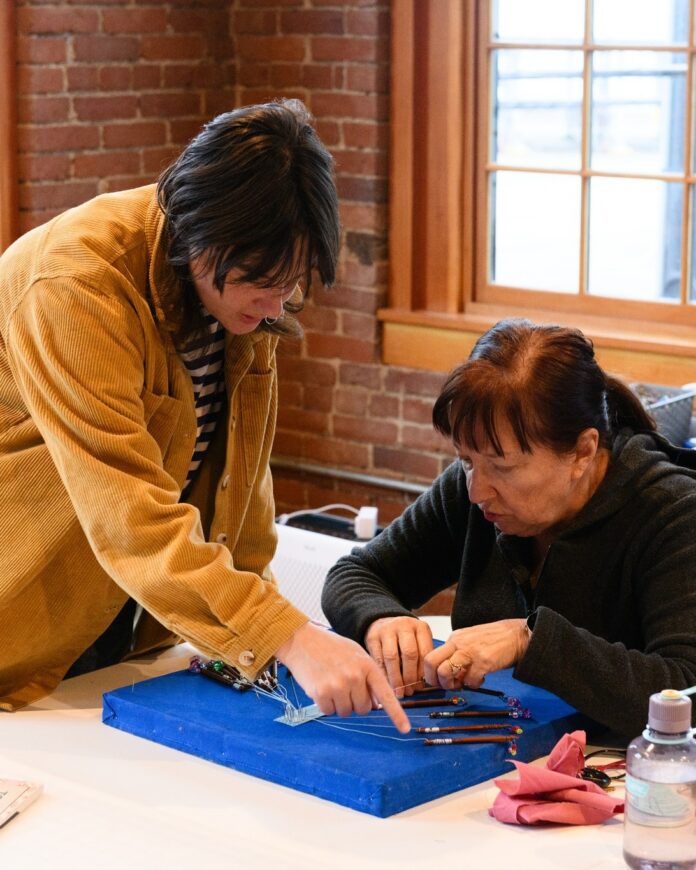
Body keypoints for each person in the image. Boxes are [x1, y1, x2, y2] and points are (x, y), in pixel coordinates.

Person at [0, 98, 408, 732]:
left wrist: (260, 642)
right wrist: (288, 636)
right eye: (260, 281)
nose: (275, 304)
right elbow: (130, 517)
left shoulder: (246, 296)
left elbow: (243, 485)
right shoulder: (74, 287)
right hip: (18, 630)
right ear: (199, 235)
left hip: (122, 627)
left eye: (293, 280)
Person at [322, 318, 696, 737]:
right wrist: (381, 620)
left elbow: (687, 692)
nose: (478, 490)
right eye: (466, 460)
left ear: (582, 452)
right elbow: (353, 575)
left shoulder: (674, 514)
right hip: (493, 763)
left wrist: (530, 640)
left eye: (503, 467)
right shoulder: (469, 491)